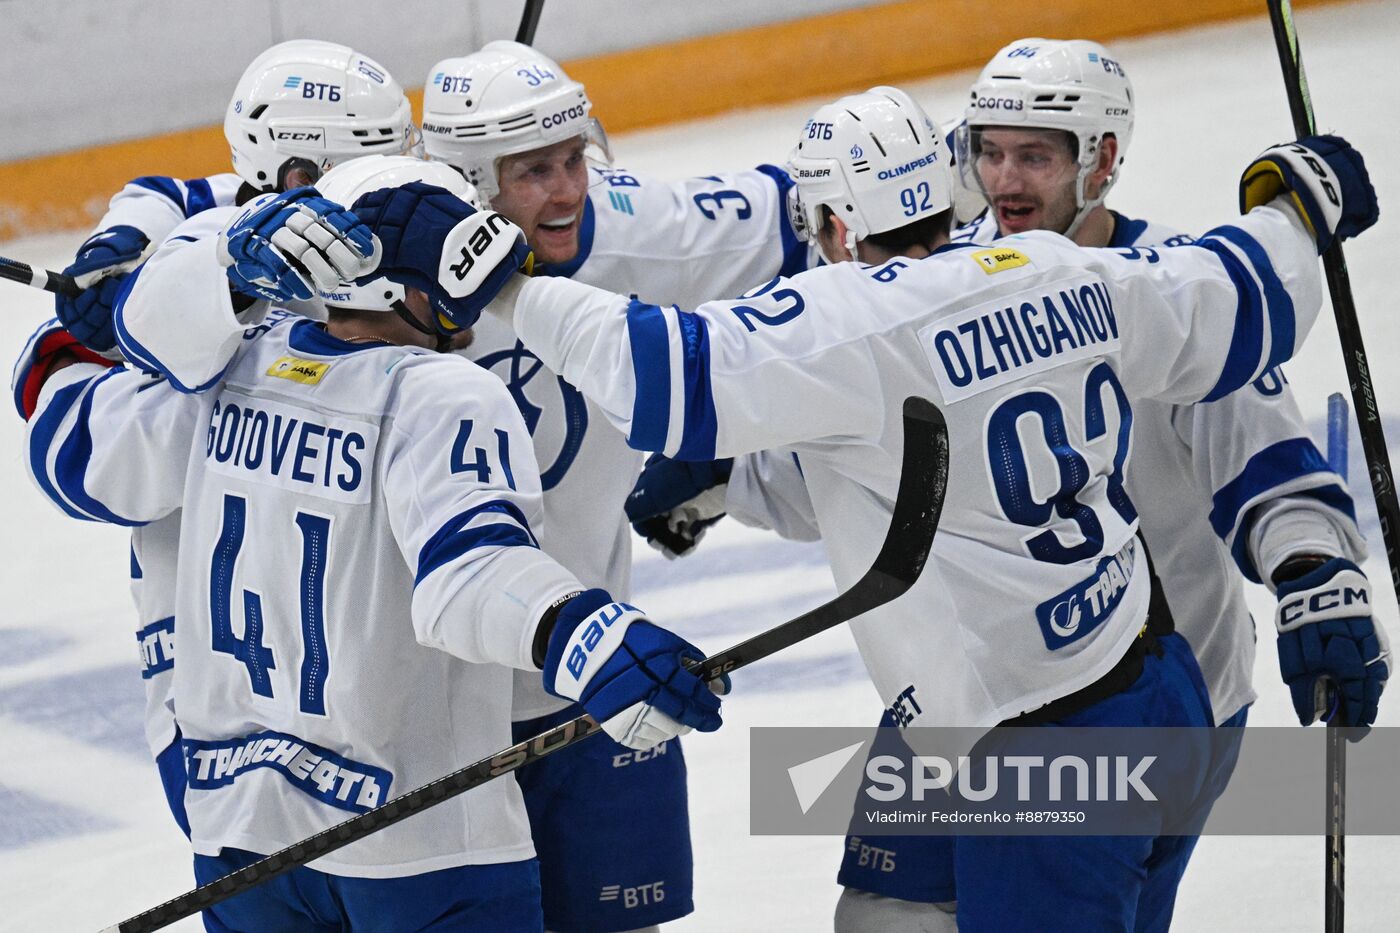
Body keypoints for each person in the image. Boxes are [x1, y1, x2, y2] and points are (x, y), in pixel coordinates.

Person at [348, 85, 1384, 932]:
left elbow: (660, 371)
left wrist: (495, 282)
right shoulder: (1079, 270)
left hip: (1040, 742)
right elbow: (1244, 291)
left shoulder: (845, 326)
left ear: (834, 223)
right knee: (881, 916)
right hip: (1118, 679)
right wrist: (1296, 200)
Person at [15, 155, 724, 932]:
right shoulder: (441, 393)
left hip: (241, 838)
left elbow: (88, 427)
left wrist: (160, 293)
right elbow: (467, 574)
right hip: (419, 845)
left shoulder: (223, 369)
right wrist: (585, 634)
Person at [823, 37, 1378, 930]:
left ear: (1105, 161)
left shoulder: (1168, 288)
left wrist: (1313, 570)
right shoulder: (943, 280)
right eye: (989, 151)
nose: (1005, 181)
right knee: (884, 912)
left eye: (1035, 156)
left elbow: (1267, 463)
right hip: (965, 690)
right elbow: (856, 437)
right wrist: (720, 475)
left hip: (1142, 699)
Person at [415, 39, 810, 932]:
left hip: (596, 685)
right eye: (532, 172)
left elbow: (834, 200)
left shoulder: (645, 229)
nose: (566, 192)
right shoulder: (375, 279)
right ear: (468, 182)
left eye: (572, 162)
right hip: (432, 718)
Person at [39, 38, 418, 838]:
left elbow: (203, 191)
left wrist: (147, 210)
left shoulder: (333, 240)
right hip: (223, 700)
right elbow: (80, 461)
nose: (389, 195)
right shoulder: (181, 269)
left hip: (378, 661)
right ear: (297, 178)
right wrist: (188, 305)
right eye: (366, 171)